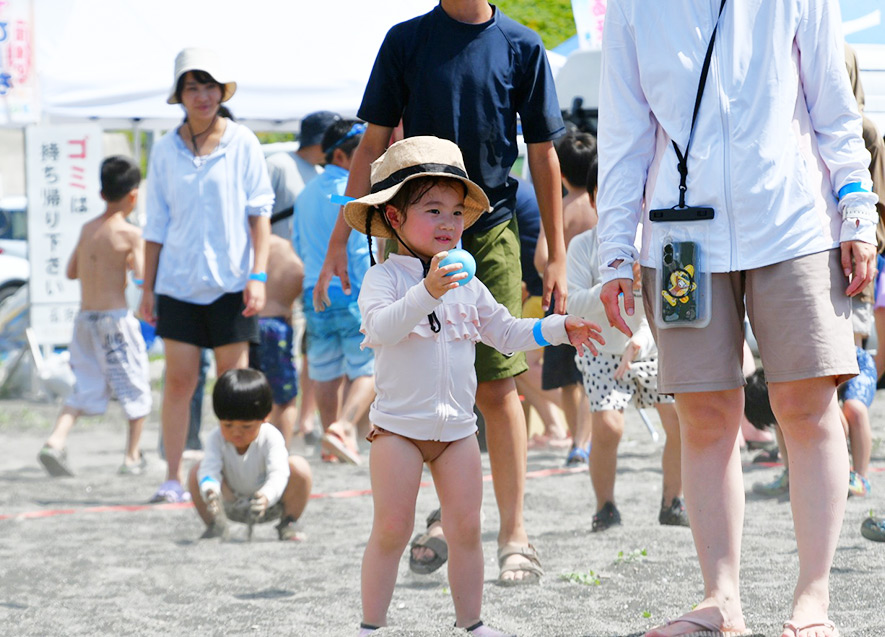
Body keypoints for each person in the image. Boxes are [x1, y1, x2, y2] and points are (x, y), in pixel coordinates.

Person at [597, 2, 878, 636]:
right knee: (702, 414)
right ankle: (720, 601)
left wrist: (858, 210)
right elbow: (624, 134)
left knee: (807, 406)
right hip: (678, 236)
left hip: (795, 222)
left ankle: (813, 601)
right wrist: (615, 248)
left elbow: (835, 107)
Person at [315, 0, 568, 585]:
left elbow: (542, 152)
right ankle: (442, 517)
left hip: (490, 225)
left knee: (498, 386)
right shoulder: (405, 40)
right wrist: (339, 240)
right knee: (415, 381)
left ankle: (514, 533)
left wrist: (556, 251)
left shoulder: (522, 45)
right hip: (407, 233)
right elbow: (371, 144)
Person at [346, 136, 603, 636]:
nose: (449, 223)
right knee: (392, 530)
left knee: (466, 529)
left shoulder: (469, 282)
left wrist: (558, 327)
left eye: (457, 212)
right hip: (398, 430)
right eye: (433, 210)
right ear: (394, 217)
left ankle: (472, 624)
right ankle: (371, 626)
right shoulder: (385, 279)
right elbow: (380, 329)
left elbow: (505, 332)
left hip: (459, 433)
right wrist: (427, 292)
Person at [140, 48, 274, 504]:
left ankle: (238, 480)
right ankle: (172, 477)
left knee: (234, 388)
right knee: (179, 382)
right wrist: (146, 288)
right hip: (177, 284)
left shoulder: (243, 142)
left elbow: (260, 214)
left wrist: (258, 275)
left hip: (233, 283)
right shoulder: (164, 149)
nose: (202, 95)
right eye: (192, 87)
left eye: (210, 86)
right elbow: (155, 225)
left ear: (222, 91)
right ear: (179, 95)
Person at [567, 158, 688, 530]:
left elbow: (669, 305)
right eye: (606, 195)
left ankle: (672, 501)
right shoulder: (583, 246)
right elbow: (573, 305)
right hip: (602, 350)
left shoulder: (653, 244)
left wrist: (641, 339)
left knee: (680, 423)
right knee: (609, 427)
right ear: (592, 200)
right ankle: (605, 506)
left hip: (650, 347)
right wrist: (611, 287)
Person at [37, 156, 151, 477]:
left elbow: (71, 271)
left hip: (84, 320)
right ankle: (132, 456)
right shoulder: (130, 234)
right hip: (114, 320)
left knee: (84, 384)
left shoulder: (88, 229)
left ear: (102, 193)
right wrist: (129, 262)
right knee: (135, 384)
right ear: (133, 195)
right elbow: (142, 277)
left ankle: (55, 441)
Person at [293, 119, 376, 464]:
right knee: (372, 367)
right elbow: (357, 249)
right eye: (364, 152)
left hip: (315, 291)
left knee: (324, 370)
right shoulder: (351, 193)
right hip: (351, 289)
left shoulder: (305, 193)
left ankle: (332, 441)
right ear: (341, 156)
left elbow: (298, 245)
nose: (371, 159)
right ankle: (343, 428)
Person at [188, 368, 312, 541]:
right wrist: (210, 490)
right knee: (197, 472)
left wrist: (267, 495)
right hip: (228, 504)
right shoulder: (216, 438)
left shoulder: (271, 436)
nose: (236, 432)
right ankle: (216, 525)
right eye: (227, 425)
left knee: (299, 467)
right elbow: (209, 468)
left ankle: (288, 522)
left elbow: (279, 473)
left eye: (246, 426)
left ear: (265, 417)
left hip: (269, 504)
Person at [535, 132, 598, 466]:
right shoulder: (598, 207)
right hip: (597, 300)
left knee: (568, 379)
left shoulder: (558, 208)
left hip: (562, 300)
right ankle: (584, 442)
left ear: (560, 172)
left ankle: (577, 441)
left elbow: (540, 258)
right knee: (592, 374)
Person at [512, 176, 569, 450]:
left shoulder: (508, 190)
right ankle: (555, 427)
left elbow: (539, 259)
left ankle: (581, 415)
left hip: (542, 293)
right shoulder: (523, 188)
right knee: (519, 366)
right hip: (546, 290)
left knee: (520, 361)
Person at [248, 235, 305, 448]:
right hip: (276, 326)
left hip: (246, 326)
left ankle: (253, 449)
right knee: (285, 398)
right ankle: (281, 451)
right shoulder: (283, 247)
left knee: (250, 393)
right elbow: (298, 273)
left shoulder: (246, 244)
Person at [265, 110, 340, 239]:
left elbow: (335, 200)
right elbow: (256, 212)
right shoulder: (277, 165)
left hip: (308, 251)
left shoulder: (321, 173)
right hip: (275, 250)